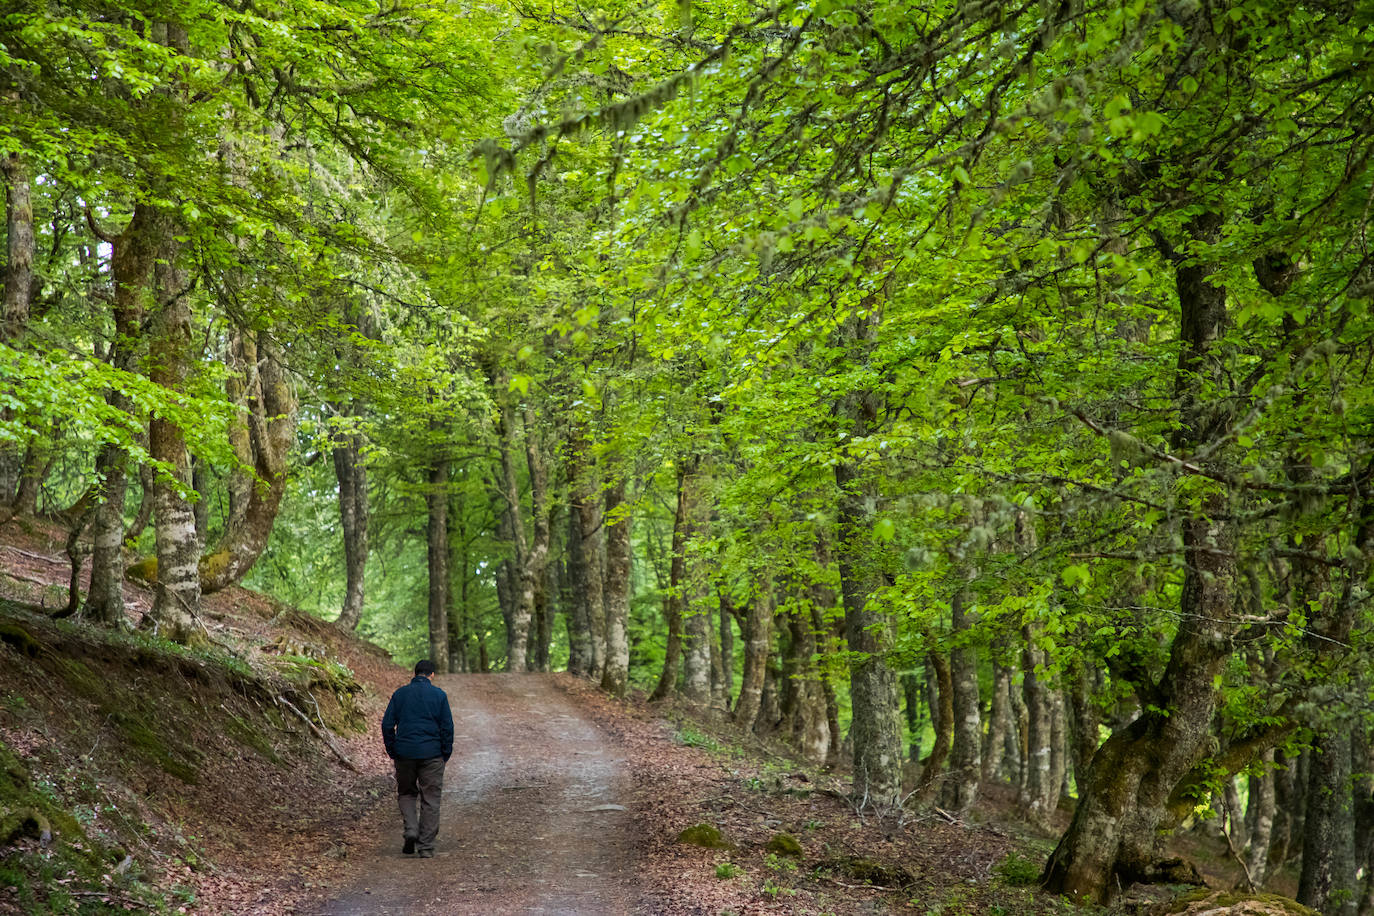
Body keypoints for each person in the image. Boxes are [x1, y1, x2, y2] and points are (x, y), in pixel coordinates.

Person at [380, 659, 453, 858]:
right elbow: (447, 728)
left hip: (404, 753)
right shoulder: (439, 695)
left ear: (415, 674)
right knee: (430, 798)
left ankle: (411, 829)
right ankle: (426, 846)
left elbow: (387, 725)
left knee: (406, 793)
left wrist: (393, 749)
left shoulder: (400, 694)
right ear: (432, 675)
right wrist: (445, 752)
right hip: (432, 754)